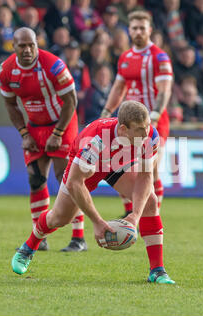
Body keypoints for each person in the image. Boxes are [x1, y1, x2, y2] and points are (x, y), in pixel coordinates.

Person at [11, 100, 176, 285]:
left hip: (116, 164)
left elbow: (146, 177)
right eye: (139, 129)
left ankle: (157, 271)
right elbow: (75, 183)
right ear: (123, 129)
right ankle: (29, 247)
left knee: (150, 201)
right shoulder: (95, 139)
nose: (146, 133)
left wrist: (135, 216)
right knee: (60, 218)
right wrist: (97, 222)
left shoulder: (151, 135)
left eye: (147, 126)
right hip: (85, 170)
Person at [0, 27, 87, 252]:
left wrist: (58, 134)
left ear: (37, 44)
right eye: (22, 46)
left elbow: (71, 101)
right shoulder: (6, 70)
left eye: (31, 45)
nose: (28, 50)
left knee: (66, 177)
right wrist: (24, 133)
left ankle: (78, 238)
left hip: (63, 123)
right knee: (35, 178)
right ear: (14, 46)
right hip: (35, 126)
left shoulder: (53, 65)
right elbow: (10, 105)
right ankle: (41, 237)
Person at [100, 10, 173, 214]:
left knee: (151, 169)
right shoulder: (125, 57)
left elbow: (165, 89)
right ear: (129, 30)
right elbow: (118, 88)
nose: (139, 32)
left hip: (153, 121)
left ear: (150, 30)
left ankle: (152, 214)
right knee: (123, 167)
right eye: (135, 28)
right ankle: (130, 211)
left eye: (143, 28)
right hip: (129, 122)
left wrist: (156, 114)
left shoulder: (159, 57)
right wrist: (107, 111)